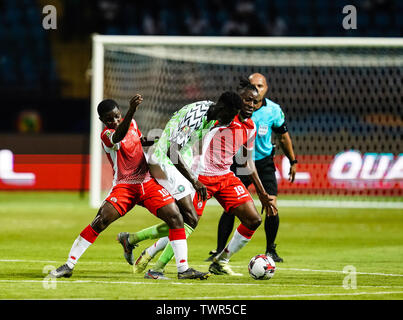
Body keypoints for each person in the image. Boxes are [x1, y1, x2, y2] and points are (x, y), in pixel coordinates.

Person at [123, 81, 277, 278]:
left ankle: (221, 262)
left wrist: (263, 194)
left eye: (255, 102)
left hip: (225, 176)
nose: (250, 104)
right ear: (238, 100)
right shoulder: (216, 120)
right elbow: (180, 141)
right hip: (199, 174)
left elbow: (247, 161)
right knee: (187, 221)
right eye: (247, 100)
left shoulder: (248, 126)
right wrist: (193, 177)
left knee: (253, 219)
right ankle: (155, 261)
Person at [49, 95, 209, 280]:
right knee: (101, 220)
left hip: (147, 183)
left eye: (117, 116)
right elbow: (119, 136)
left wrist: (161, 139)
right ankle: (69, 264)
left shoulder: (131, 124)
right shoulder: (107, 135)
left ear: (120, 113)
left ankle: (183, 270)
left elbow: (139, 141)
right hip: (125, 186)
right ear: (102, 121)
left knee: (175, 218)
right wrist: (132, 109)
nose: (115, 121)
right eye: (109, 119)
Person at [207, 73, 297, 263]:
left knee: (271, 205)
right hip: (237, 163)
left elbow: (283, 135)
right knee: (231, 207)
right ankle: (219, 250)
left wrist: (293, 160)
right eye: (252, 86)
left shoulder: (273, 111)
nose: (255, 92)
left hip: (262, 162)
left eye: (260, 86)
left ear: (266, 88)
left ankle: (270, 249)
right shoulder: (234, 112)